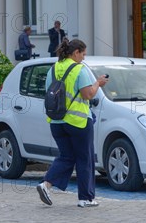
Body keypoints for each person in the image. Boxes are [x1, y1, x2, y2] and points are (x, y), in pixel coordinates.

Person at [36, 38, 109, 208]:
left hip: (56, 121)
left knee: (66, 156)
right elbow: (87, 94)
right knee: (85, 159)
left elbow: (49, 92)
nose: (83, 58)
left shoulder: (53, 69)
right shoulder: (78, 69)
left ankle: (46, 185)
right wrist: (98, 83)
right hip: (78, 122)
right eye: (83, 54)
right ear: (76, 53)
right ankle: (86, 198)